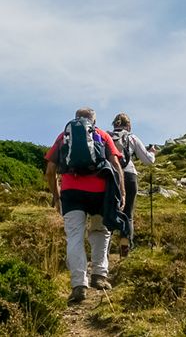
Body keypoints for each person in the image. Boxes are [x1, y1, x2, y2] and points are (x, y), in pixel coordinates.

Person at [45, 107, 126, 304]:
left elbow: (50, 170)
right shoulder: (102, 135)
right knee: (100, 232)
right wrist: (122, 192)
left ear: (75, 119)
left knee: (74, 237)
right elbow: (115, 165)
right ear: (94, 121)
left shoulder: (63, 136)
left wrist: (56, 197)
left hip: (71, 192)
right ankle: (99, 276)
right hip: (99, 192)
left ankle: (79, 285)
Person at [110, 112, 156, 257]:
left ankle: (104, 249)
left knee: (109, 211)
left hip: (110, 175)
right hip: (129, 175)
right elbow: (148, 161)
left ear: (114, 124)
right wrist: (152, 152)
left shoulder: (107, 137)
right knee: (128, 213)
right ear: (128, 125)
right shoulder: (132, 138)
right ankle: (125, 245)